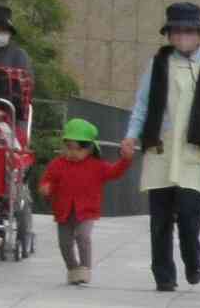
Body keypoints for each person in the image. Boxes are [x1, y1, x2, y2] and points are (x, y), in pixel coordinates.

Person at [121, 2, 200, 293]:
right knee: (159, 219)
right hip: (161, 149)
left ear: (199, 34)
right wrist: (131, 135)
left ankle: (192, 260)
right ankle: (163, 275)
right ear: (169, 34)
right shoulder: (158, 63)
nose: (183, 37)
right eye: (177, 31)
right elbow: (143, 104)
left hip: (195, 151)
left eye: (189, 31)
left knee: (189, 212)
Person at [30, 118, 133, 286]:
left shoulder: (97, 166)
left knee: (83, 236)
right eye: (68, 148)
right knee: (64, 244)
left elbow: (115, 172)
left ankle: (84, 268)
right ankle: (73, 269)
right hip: (63, 211)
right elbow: (47, 180)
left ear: (89, 148)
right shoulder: (58, 164)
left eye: (78, 149)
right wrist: (45, 187)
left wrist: (126, 160)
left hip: (86, 211)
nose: (72, 153)